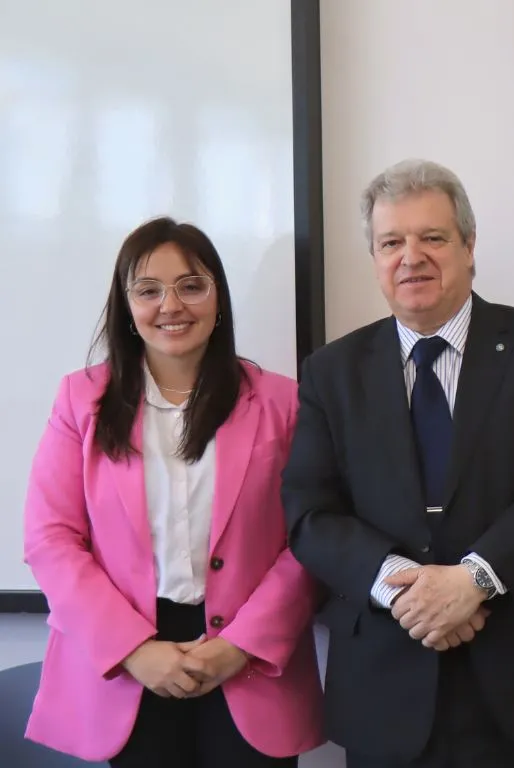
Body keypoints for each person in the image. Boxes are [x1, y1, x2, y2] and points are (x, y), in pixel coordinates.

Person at [281, 159, 514, 767]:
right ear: (374, 258)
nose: (411, 257)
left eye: (433, 237)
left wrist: (474, 579)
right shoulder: (331, 373)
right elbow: (310, 514)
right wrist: (405, 589)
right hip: (389, 683)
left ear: (470, 246)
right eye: (391, 242)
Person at [23, 217, 324, 766]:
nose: (171, 305)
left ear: (218, 298)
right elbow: (50, 539)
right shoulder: (80, 401)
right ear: (126, 306)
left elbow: (311, 534)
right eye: (148, 290)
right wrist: (133, 649)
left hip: (249, 658)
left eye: (191, 285)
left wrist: (240, 645)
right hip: (130, 664)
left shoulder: (283, 402)